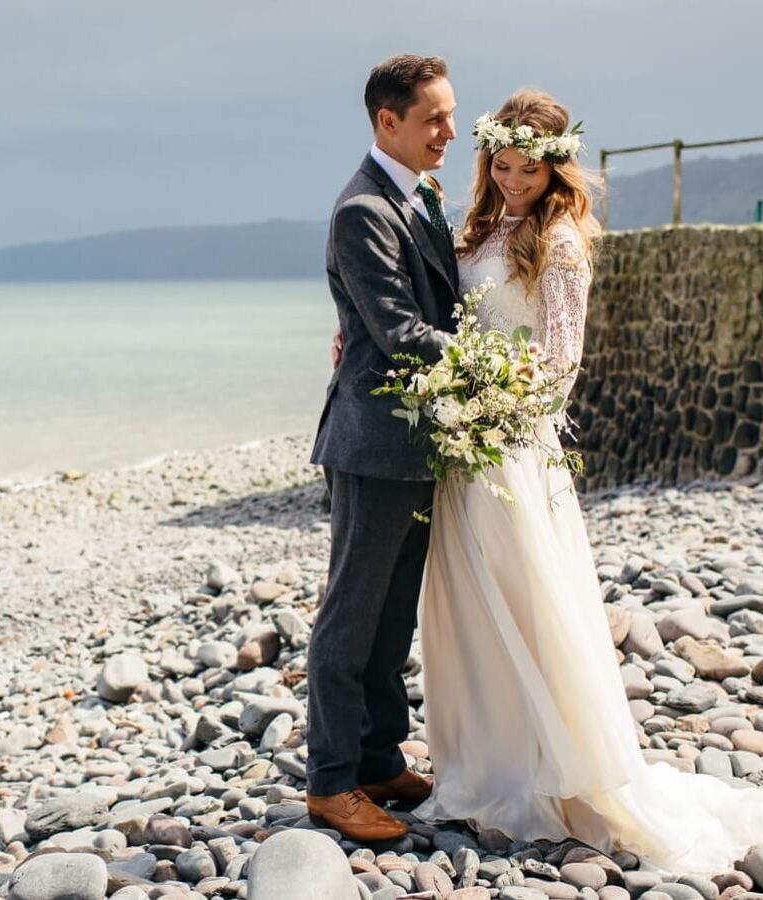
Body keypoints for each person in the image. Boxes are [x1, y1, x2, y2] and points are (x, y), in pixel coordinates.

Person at [408, 88, 763, 872]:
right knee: (469, 605)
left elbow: (562, 363)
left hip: (513, 448)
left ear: (556, 166)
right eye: (501, 165)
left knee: (526, 603)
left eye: (528, 169)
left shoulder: (560, 239)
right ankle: (475, 765)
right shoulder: (477, 225)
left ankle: (547, 772)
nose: (513, 180)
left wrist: (493, 407)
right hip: (463, 449)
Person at [304, 53, 459, 843]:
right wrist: (496, 362)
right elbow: (400, 332)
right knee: (350, 619)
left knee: (394, 617)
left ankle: (376, 756)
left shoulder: (420, 195)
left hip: (421, 442)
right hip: (373, 443)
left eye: (450, 114)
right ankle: (330, 782)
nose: (449, 132)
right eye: (433, 118)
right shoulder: (363, 210)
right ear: (386, 122)